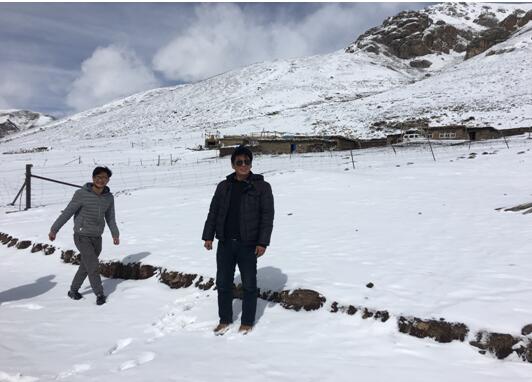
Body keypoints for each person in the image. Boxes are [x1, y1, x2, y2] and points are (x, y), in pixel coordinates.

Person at [202, 145, 274, 335]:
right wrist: (208, 236)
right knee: (223, 282)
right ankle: (224, 319)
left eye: (247, 162)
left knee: (249, 284)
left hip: (248, 244)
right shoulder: (223, 186)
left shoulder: (262, 187)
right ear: (233, 164)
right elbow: (213, 212)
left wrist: (262, 242)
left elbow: (267, 217)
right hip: (225, 243)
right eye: (239, 162)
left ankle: (248, 321)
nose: (244, 165)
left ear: (251, 163)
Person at [48, 166, 120, 305]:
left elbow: (110, 218)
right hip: (82, 236)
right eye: (98, 177)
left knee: (86, 265)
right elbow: (67, 212)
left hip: (97, 237)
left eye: (104, 178)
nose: (101, 180)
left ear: (108, 180)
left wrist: (115, 234)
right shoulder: (81, 194)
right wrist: (54, 229)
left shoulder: (108, 197)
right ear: (93, 178)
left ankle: (73, 290)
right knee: (93, 265)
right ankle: (99, 293)